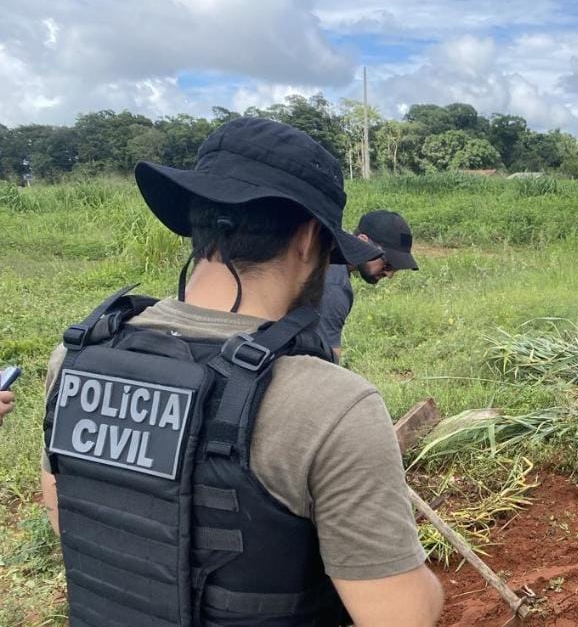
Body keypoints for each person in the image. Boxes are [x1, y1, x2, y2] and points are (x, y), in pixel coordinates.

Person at [39, 118, 443, 626]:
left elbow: (69, 519)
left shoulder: (74, 357)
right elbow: (401, 619)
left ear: (196, 219)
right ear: (308, 238)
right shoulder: (333, 407)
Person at [317, 210, 419, 356]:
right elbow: (326, 363)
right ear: (362, 241)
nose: (389, 274)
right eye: (388, 263)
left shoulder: (325, 251)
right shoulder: (334, 287)